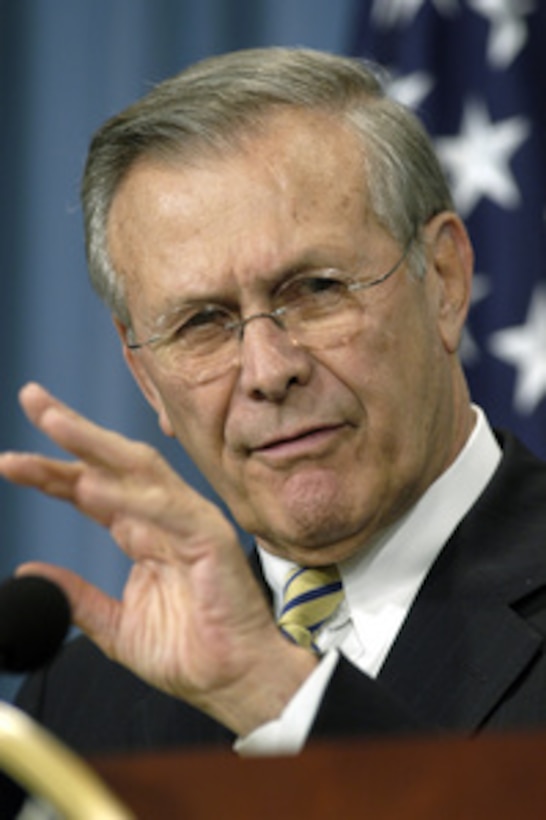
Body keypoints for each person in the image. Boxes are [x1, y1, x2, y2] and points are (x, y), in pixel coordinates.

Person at [2, 46, 546, 762]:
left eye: (316, 289)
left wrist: (278, 699)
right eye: (201, 323)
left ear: (444, 281)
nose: (267, 371)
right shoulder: (75, 707)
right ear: (144, 376)